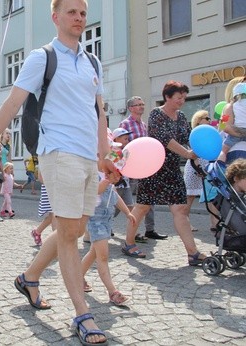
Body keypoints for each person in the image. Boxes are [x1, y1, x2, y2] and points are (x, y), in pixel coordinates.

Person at [0, 1, 115, 344]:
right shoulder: (42, 57)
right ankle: (82, 314)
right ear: (56, 17)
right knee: (68, 234)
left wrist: (104, 155)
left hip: (87, 158)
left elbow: (100, 113)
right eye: (72, 12)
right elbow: (11, 105)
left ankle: (30, 277)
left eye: (83, 12)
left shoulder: (93, 61)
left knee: (75, 229)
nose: (79, 18)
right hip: (57, 153)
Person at [122, 80, 206, 267]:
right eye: (178, 97)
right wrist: (187, 154)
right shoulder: (156, 114)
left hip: (172, 169)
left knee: (180, 210)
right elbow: (165, 139)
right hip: (153, 168)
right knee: (142, 207)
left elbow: (187, 138)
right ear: (167, 97)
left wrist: (199, 154)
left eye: (184, 97)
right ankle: (129, 243)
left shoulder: (182, 116)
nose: (182, 101)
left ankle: (192, 253)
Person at [82, 165, 135, 306]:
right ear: (108, 173)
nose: (119, 178)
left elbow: (116, 198)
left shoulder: (111, 185)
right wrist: (106, 180)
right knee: (103, 256)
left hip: (106, 222)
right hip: (96, 222)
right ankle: (113, 292)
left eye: (120, 175)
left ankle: (77, 277)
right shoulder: (99, 180)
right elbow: (95, 193)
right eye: (116, 175)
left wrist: (127, 212)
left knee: (93, 253)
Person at [119, 96, 166, 241]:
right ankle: (125, 229)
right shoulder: (125, 124)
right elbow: (121, 146)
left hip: (145, 168)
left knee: (148, 199)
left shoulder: (144, 125)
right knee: (126, 200)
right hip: (131, 169)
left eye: (142, 104)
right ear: (130, 108)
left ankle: (150, 229)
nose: (141, 106)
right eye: (138, 105)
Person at [183, 110, 219, 232]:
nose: (209, 120)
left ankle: (214, 223)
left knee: (211, 195)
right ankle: (185, 222)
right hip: (195, 167)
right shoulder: (194, 133)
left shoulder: (211, 133)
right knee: (190, 196)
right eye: (206, 118)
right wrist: (197, 167)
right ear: (199, 120)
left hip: (207, 167)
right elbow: (192, 151)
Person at [219, 82, 246, 162]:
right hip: (239, 151)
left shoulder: (230, 106)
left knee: (223, 151)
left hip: (234, 146)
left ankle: (219, 166)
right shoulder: (231, 107)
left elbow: (223, 127)